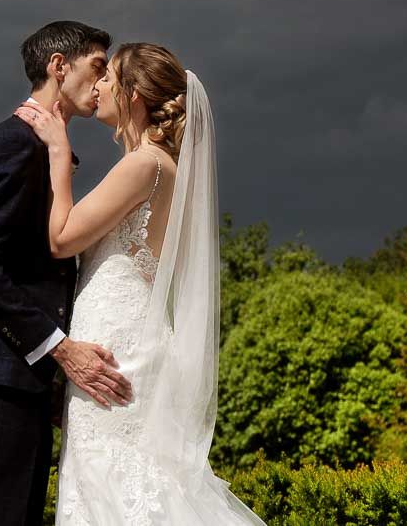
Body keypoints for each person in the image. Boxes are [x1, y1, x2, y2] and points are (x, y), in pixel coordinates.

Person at [13, 42, 266, 525]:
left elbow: (62, 239)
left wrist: (59, 152)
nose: (100, 85)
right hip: (127, 336)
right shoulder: (158, 166)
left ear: (133, 96)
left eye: (110, 78)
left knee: (112, 481)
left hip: (117, 346)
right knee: (113, 481)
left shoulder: (145, 165)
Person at [0, 20, 133, 526]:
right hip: (4, 365)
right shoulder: (15, 144)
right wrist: (61, 348)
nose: (104, 79)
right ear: (58, 67)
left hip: (26, 371)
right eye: (96, 66)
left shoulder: (45, 145)